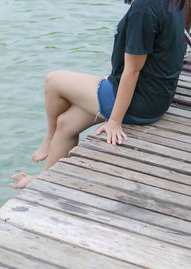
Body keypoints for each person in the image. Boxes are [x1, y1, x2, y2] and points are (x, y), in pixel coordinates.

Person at [10, 0, 186, 189]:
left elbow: (132, 71)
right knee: (66, 123)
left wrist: (115, 121)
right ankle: (45, 177)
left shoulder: (144, 8)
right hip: (157, 97)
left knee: (53, 81)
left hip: (138, 102)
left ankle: (49, 138)